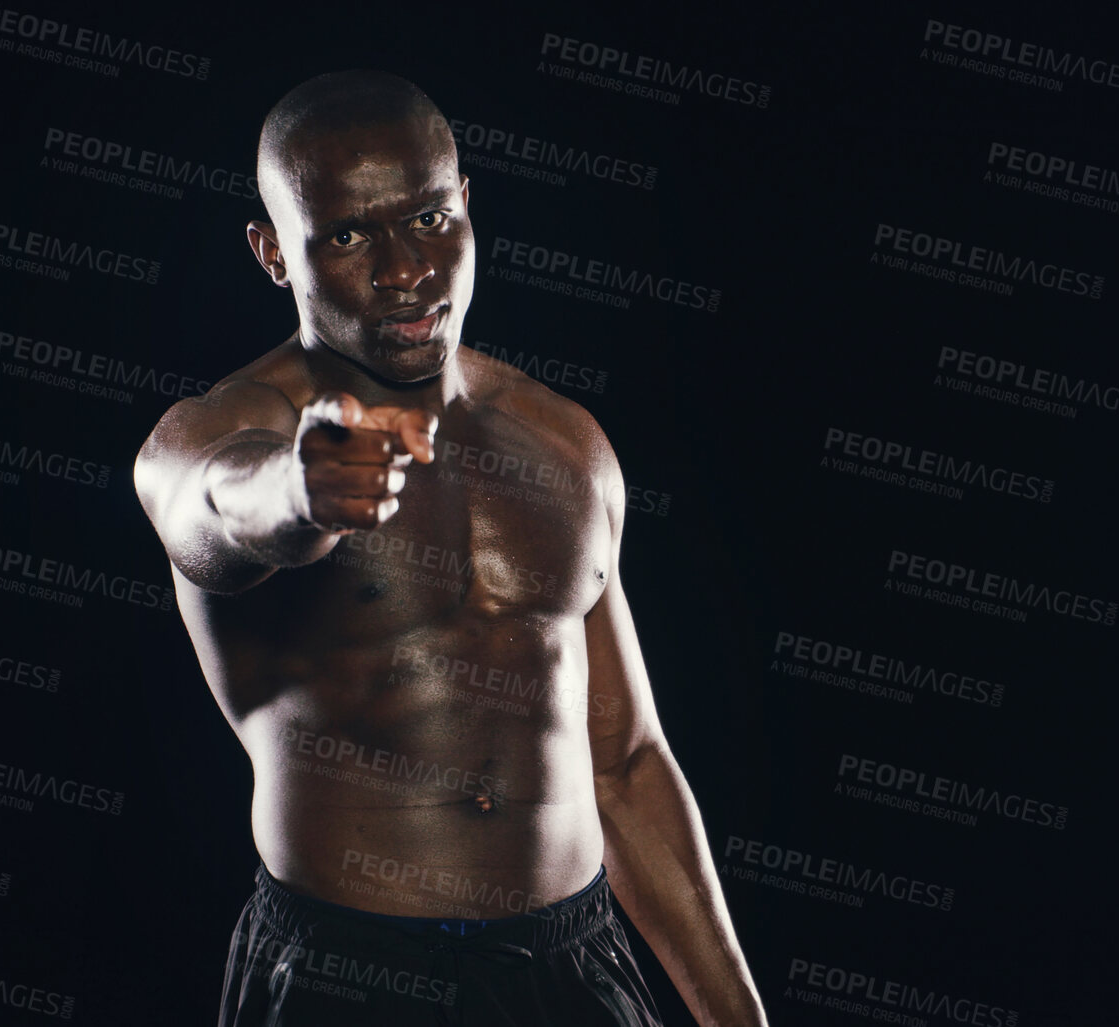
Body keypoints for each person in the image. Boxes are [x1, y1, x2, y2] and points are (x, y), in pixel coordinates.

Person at [133, 69, 768, 1026]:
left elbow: (626, 764)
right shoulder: (221, 430)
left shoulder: (563, 440)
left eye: (428, 220)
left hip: (570, 965)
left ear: (466, 204)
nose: (405, 271)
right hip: (347, 978)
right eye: (347, 235)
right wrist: (301, 492)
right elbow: (209, 515)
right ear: (273, 253)